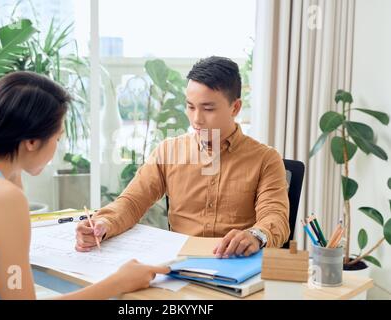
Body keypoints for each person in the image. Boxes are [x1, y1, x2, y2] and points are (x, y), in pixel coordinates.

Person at [0, 71, 169, 300]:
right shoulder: (3, 198)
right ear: (31, 141)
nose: (57, 148)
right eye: (57, 138)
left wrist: (14, 169)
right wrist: (118, 283)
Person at [76, 56, 290, 258]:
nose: (197, 119)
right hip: (179, 266)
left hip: (236, 265)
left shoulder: (266, 159)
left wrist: (256, 235)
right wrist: (104, 223)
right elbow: (132, 202)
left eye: (208, 108)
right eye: (190, 107)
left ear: (235, 108)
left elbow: (275, 218)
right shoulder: (168, 151)